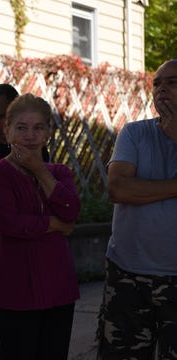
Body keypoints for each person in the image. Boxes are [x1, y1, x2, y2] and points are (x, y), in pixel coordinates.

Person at [0, 93, 80, 360]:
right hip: (14, 291)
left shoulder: (59, 173)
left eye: (38, 128)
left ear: (48, 132)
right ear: (8, 130)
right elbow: (7, 222)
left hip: (58, 288)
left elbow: (71, 211)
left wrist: (40, 170)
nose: (30, 135)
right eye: (22, 128)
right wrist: (53, 224)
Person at [96, 59, 177, 360]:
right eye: (157, 83)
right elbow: (119, 189)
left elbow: (133, 189)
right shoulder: (133, 133)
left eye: (172, 82)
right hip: (128, 274)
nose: (162, 90)